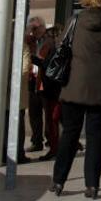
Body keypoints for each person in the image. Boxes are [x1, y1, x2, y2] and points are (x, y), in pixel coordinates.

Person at [50, 0, 101, 199]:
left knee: (70, 135)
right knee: (95, 137)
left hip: (74, 86)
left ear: (86, 1)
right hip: (100, 89)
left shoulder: (76, 20)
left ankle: (58, 182)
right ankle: (92, 185)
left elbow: (62, 46)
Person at [26, 16, 52, 153]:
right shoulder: (30, 41)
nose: (34, 31)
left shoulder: (49, 40)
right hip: (32, 81)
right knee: (34, 113)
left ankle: (50, 140)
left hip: (44, 81)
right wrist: (28, 30)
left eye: (36, 28)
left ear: (42, 27)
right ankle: (36, 141)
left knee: (48, 114)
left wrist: (35, 59)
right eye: (33, 29)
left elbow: (47, 61)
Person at [38, 24, 63, 161]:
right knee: (56, 120)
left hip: (53, 91)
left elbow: (49, 68)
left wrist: (36, 60)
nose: (44, 38)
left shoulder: (55, 50)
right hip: (54, 91)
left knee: (52, 121)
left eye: (47, 36)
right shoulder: (55, 49)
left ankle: (55, 148)